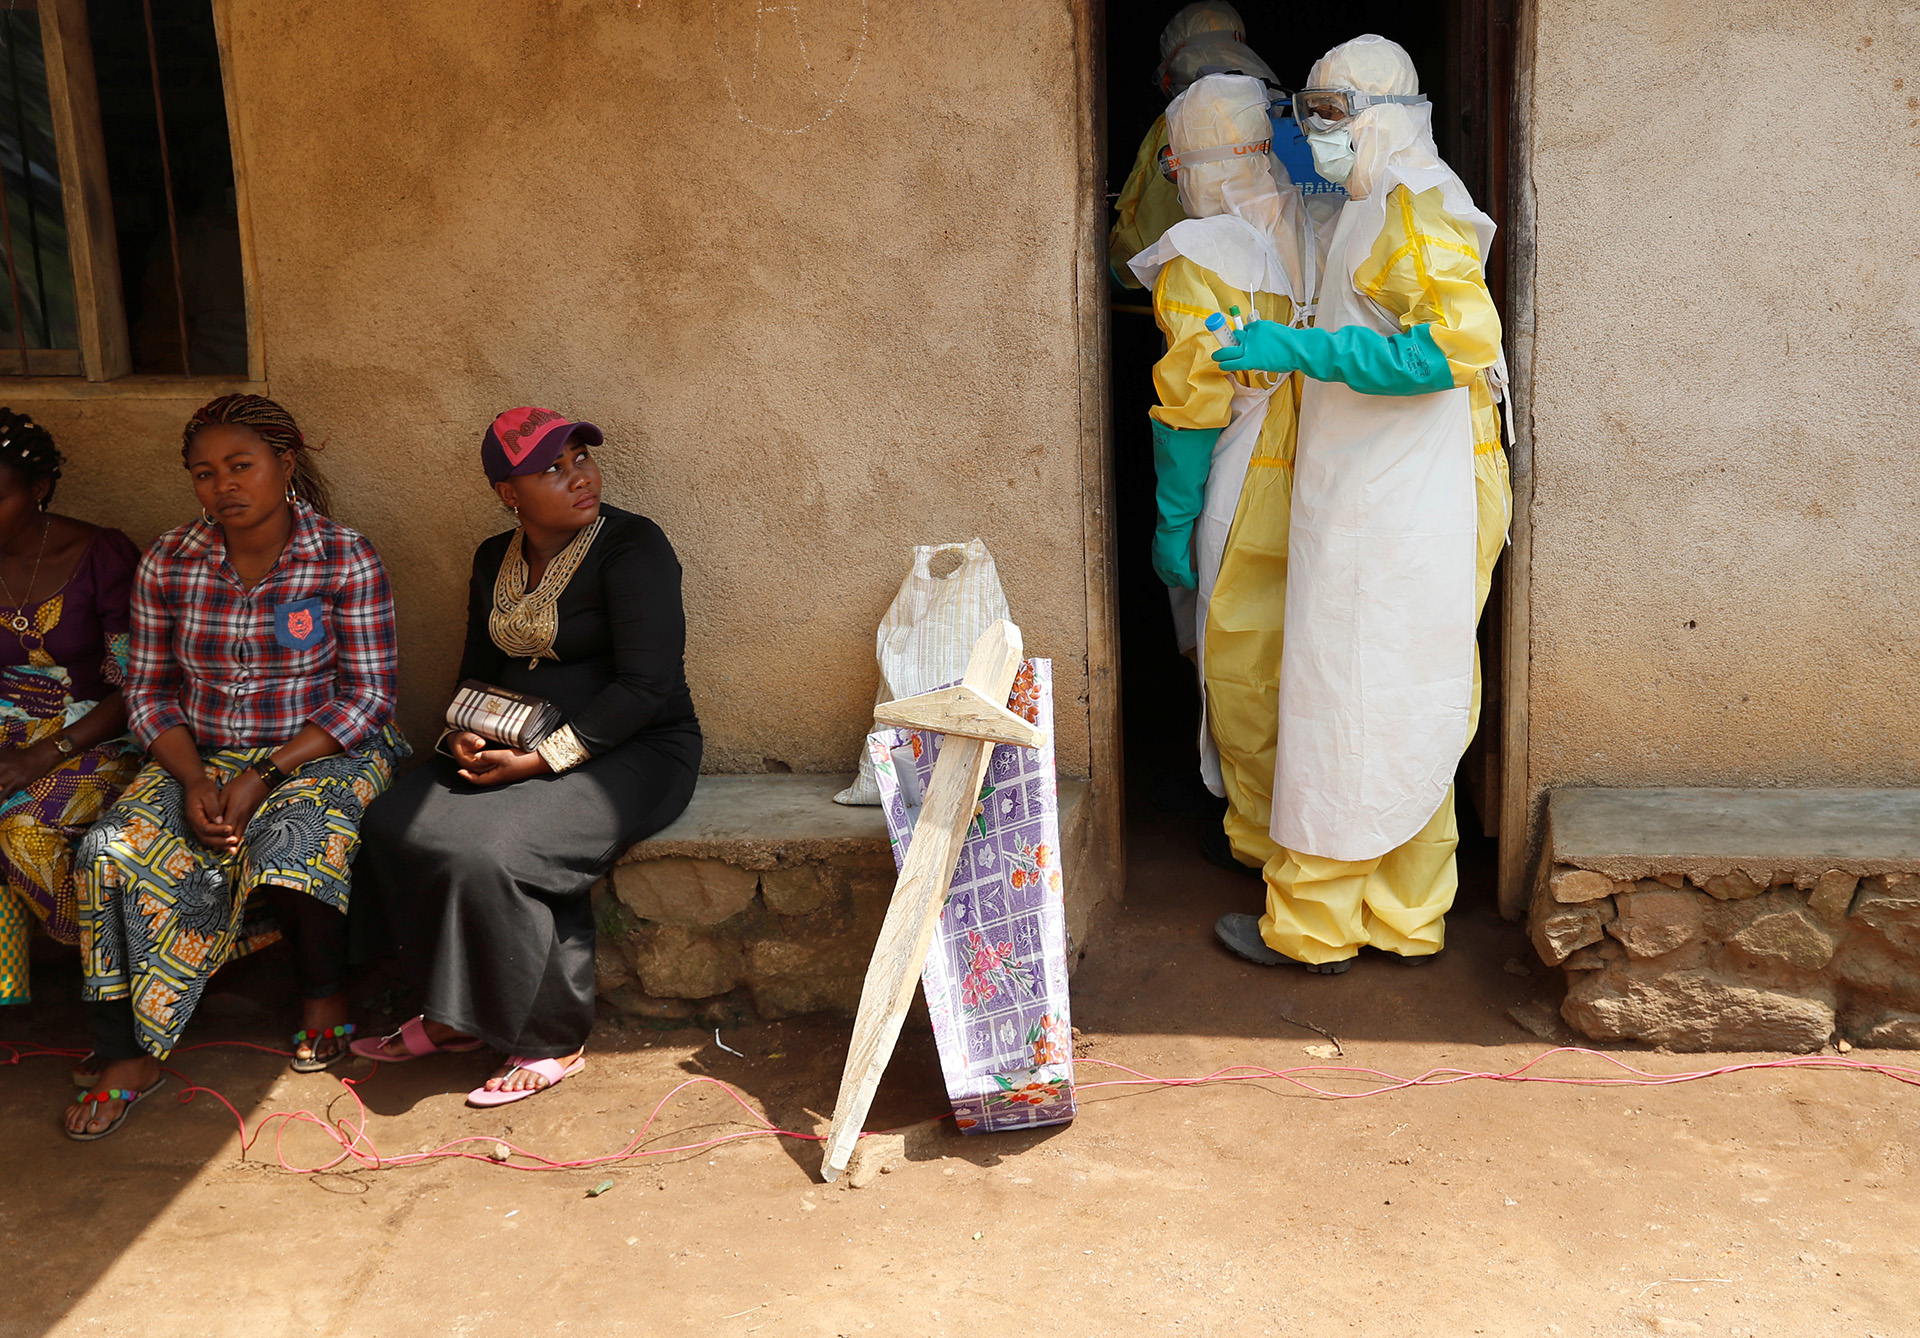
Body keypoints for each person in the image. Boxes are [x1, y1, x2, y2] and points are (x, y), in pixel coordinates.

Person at [1209, 34, 1512, 972]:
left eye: (1335, 115)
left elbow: (1447, 353)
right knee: (1403, 694)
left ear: (1388, 114)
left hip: (1403, 500)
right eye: (1308, 113)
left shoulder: (1413, 208)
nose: (1316, 134)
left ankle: (1314, 924)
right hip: (1391, 492)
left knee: (1344, 694)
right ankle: (1405, 916)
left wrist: (1303, 352)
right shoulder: (1378, 200)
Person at [65, 394, 407, 1139]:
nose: (223, 485)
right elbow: (149, 691)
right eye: (203, 472)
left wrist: (263, 777)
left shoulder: (343, 554)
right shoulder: (170, 559)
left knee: (296, 835)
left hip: (320, 748)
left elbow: (369, 696)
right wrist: (194, 781)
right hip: (200, 752)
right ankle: (124, 1050)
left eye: (241, 466)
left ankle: (323, 994)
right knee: (106, 851)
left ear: (286, 465)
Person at [351, 408, 700, 1107]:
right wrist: (459, 736)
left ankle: (550, 1038)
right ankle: (452, 1020)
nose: (580, 477)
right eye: (552, 468)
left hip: (634, 748)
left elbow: (645, 685)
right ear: (508, 493)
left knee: (502, 852)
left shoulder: (633, 547)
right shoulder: (493, 558)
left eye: (580, 459)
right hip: (514, 739)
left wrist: (543, 762)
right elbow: (477, 667)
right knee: (395, 823)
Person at [1126, 72, 1317, 876]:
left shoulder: (1198, 257)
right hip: (1336, 470)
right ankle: (1322, 836)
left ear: (1190, 166)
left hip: (1244, 479)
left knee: (1240, 669)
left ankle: (1258, 837)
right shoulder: (1327, 227)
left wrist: (1173, 519)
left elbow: (1193, 405)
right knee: (1316, 659)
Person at [0, 411, 143, 1038]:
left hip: (96, 733)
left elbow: (137, 685)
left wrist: (43, 754)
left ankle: (128, 975)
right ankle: (9, 986)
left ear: (39, 488)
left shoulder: (99, 555)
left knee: (22, 830)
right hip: (7, 731)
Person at [1108, 2, 1280, 287]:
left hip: (1201, 288)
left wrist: (1109, 272)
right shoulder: (1283, 105)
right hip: (1278, 283)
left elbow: (1148, 236)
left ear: (1174, 67)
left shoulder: (1185, 121)